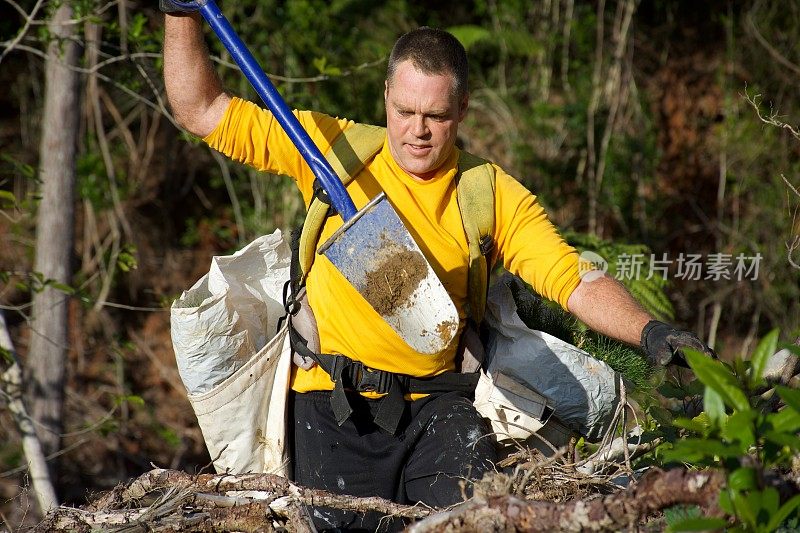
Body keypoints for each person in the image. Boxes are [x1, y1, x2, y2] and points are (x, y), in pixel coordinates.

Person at [162, 3, 714, 530]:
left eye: (435, 115)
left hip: (440, 408)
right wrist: (180, 13)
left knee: (472, 522)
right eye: (403, 111)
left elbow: (571, 278)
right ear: (385, 98)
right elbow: (201, 110)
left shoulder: (487, 193)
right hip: (331, 407)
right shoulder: (332, 151)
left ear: (463, 110)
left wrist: (651, 330)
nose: (416, 131)